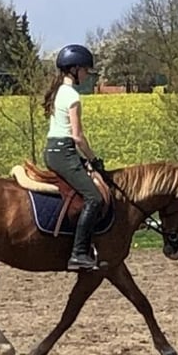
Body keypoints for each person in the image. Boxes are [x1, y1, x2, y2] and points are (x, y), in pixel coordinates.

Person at [42, 43, 106, 271]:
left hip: (53, 150)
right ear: (74, 69)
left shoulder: (59, 91)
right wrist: (94, 158)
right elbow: (78, 137)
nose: (87, 74)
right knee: (94, 198)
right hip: (64, 152)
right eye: (85, 70)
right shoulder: (72, 96)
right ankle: (78, 253)